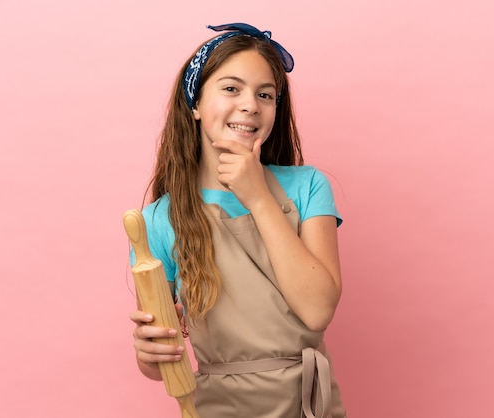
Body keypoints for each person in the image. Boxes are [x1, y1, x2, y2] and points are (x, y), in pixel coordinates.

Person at [129, 23, 347, 417]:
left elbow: (317, 310)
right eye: (231, 88)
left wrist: (258, 196)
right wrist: (149, 352)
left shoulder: (308, 187)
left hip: (308, 406)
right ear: (194, 104)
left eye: (266, 94)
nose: (250, 104)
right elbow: (161, 359)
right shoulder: (158, 220)